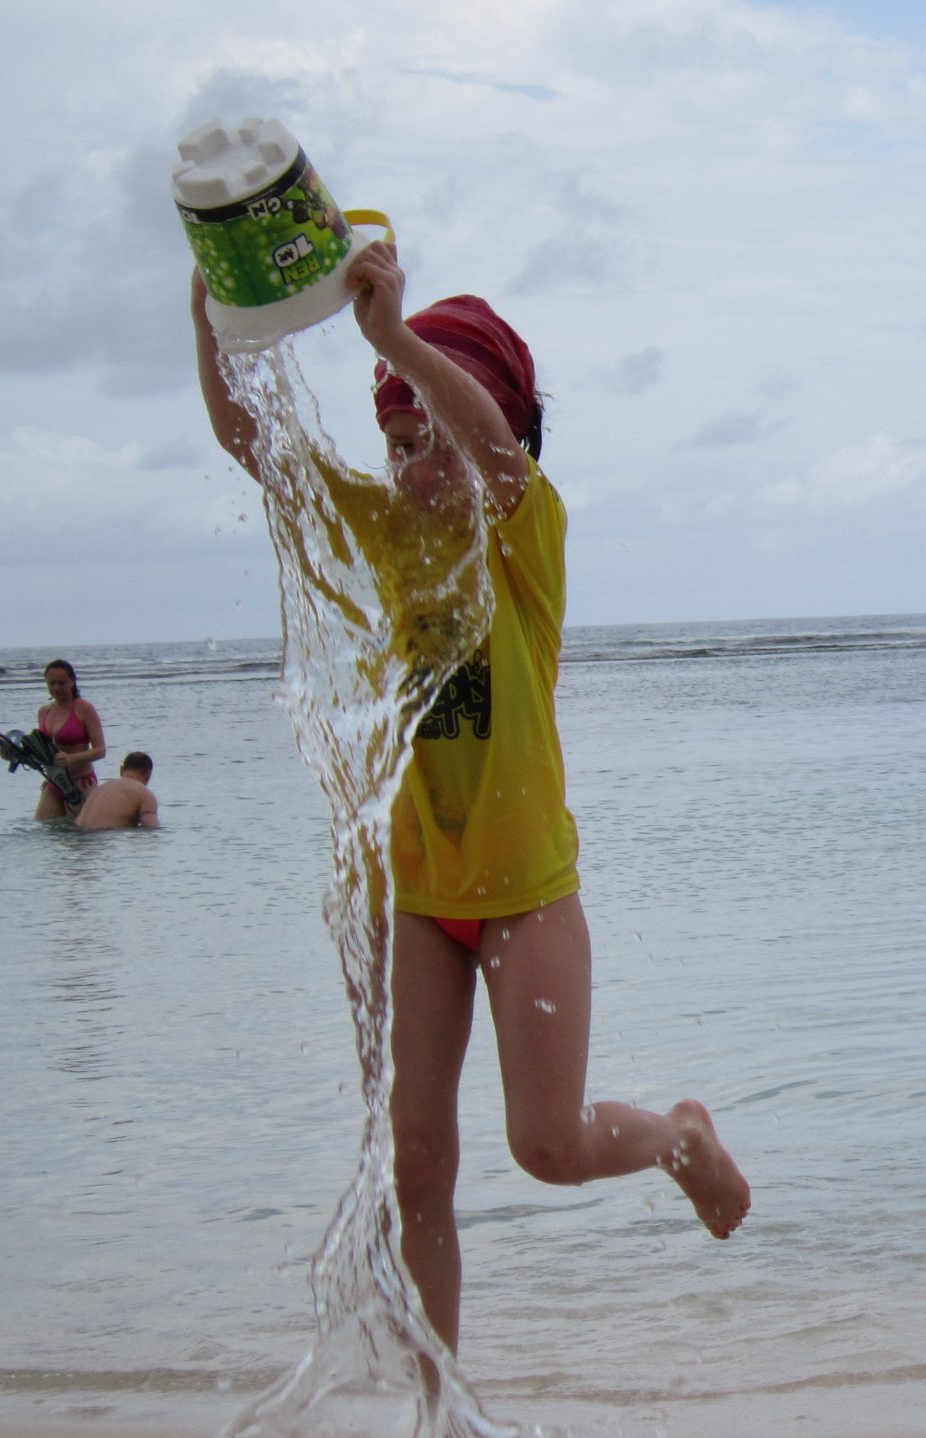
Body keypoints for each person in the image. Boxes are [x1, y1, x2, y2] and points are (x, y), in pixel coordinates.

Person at [189, 246, 750, 1361]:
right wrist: (205, 305)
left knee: (547, 1147)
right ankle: (440, 1415)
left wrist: (393, 339)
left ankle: (679, 1137)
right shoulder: (389, 535)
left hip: (527, 897)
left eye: (431, 438)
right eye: (398, 444)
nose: (412, 466)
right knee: (416, 1164)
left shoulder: (525, 534)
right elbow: (251, 442)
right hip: (419, 897)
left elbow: (492, 448)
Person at [34, 659, 103, 818]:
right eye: (52, 683)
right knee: (42, 829)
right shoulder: (44, 712)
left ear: (72, 681)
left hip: (81, 782)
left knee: (83, 831)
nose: (56, 688)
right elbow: (41, 750)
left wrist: (70, 759)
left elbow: (100, 750)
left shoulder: (84, 708)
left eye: (62, 683)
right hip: (53, 783)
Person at [73, 751, 159, 830]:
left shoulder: (99, 790)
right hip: (105, 836)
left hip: (78, 833)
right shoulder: (144, 794)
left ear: (121, 770)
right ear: (148, 775)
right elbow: (151, 829)